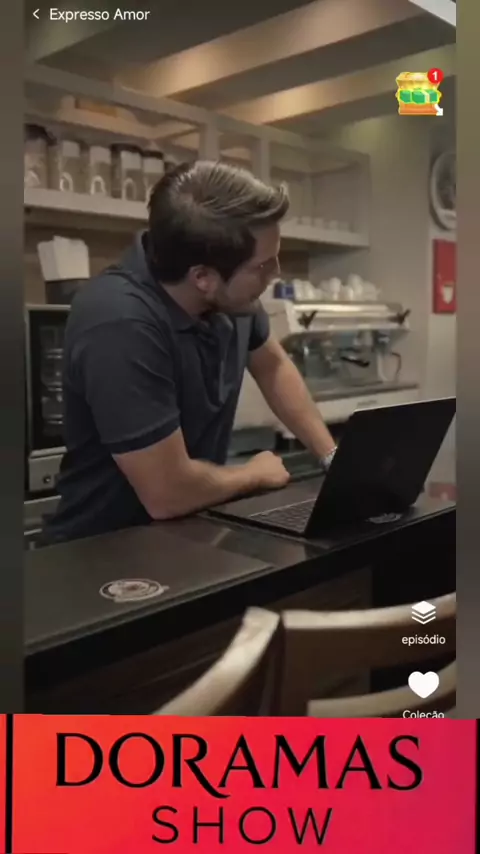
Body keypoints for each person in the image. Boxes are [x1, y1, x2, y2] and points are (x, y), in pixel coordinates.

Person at [41, 161, 336, 545]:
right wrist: (254, 474)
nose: (275, 273)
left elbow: (272, 365)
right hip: (105, 550)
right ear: (202, 278)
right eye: (263, 265)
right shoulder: (119, 321)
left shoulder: (234, 299)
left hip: (184, 534)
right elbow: (168, 493)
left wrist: (331, 456)